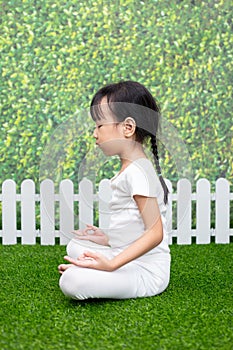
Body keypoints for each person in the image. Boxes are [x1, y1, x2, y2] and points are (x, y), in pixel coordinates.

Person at [58, 81, 171, 300]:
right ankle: (98, 271)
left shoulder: (139, 172)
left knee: (72, 281)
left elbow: (155, 234)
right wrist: (108, 238)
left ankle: (94, 274)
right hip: (127, 256)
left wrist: (110, 265)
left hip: (146, 271)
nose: (94, 134)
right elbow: (137, 227)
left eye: (99, 125)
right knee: (75, 246)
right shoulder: (133, 168)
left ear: (127, 128)